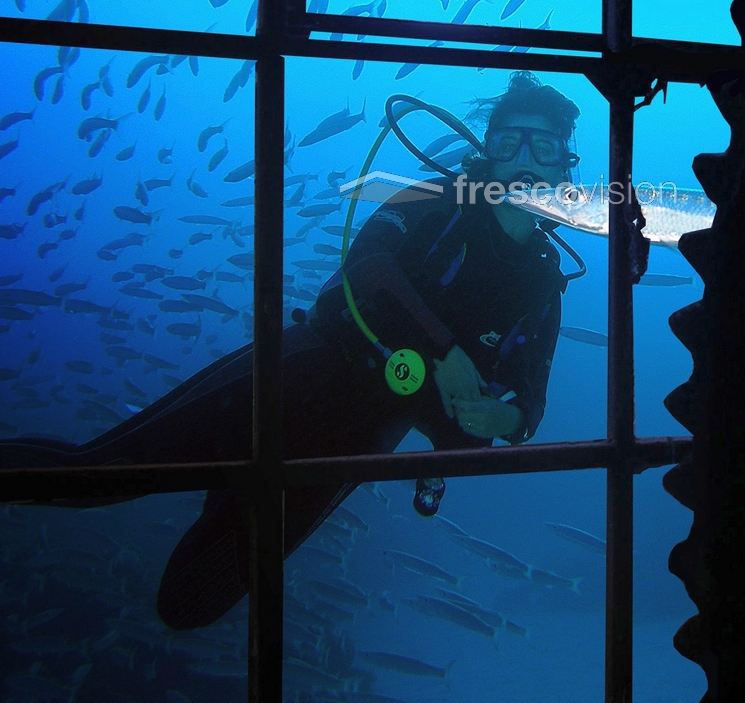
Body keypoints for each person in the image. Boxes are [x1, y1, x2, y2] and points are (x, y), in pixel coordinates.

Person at [0, 71, 580, 630]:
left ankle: (226, 495)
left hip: (355, 443)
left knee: (190, 603)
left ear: (565, 165)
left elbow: (529, 400)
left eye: (545, 147)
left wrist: (502, 415)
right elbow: (368, 267)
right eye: (510, 141)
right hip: (290, 378)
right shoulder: (429, 199)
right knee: (88, 479)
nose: (525, 159)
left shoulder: (542, 284)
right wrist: (444, 350)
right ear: (486, 150)